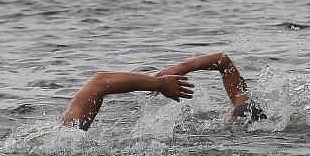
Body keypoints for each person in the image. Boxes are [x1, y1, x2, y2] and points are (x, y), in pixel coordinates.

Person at [60, 52, 266, 130]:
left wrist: (160, 83)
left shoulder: (67, 134)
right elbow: (224, 62)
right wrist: (179, 70)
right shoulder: (242, 108)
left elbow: (99, 81)